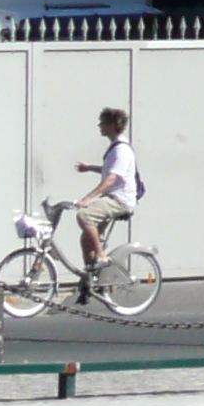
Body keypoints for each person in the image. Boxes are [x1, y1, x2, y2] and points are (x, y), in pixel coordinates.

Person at [72, 107, 140, 301]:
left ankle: (101, 257)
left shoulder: (121, 149)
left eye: (102, 123)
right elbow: (108, 170)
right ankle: (94, 280)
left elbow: (111, 179)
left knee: (84, 216)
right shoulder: (115, 147)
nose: (99, 126)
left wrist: (87, 198)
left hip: (120, 200)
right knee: (86, 238)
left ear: (112, 125)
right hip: (112, 198)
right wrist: (89, 168)